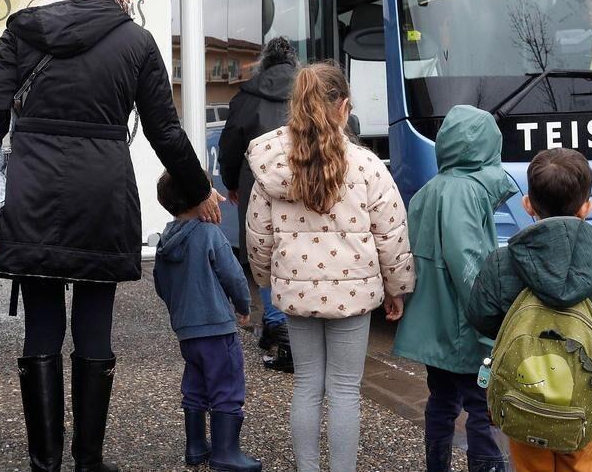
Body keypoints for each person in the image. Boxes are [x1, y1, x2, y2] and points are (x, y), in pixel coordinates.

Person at [0, 0, 221, 472]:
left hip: (33, 189)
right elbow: (165, 132)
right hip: (102, 194)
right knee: (93, 326)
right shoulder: (136, 41)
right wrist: (200, 191)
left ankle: (46, 464)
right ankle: (89, 461)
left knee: (40, 326)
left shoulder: (24, 26)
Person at [244, 61, 414, 472]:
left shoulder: (271, 166)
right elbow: (390, 234)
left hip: (296, 292)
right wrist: (396, 288)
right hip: (353, 296)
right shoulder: (367, 165)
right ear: (345, 108)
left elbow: (258, 236)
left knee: (306, 385)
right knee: (344, 391)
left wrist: (269, 280)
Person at [466, 148, 592, 472]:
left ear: (528, 204)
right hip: (587, 397)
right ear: (586, 207)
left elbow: (481, 315)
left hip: (523, 391)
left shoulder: (503, 263)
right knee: (582, 461)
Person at [392, 104, 517, 472]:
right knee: (483, 403)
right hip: (464, 323)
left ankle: (437, 465)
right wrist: (490, 319)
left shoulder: (431, 189)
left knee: (442, 398)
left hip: (436, 325)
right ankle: (488, 465)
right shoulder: (468, 191)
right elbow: (467, 262)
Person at [153, 172, 261, 472]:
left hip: (187, 330)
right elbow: (233, 276)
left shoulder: (166, 238)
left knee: (196, 385)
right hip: (216, 325)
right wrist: (243, 306)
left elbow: (161, 284)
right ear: (203, 198)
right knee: (226, 386)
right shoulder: (210, 233)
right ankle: (226, 453)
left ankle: (196, 446)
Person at [218, 36, 298, 371]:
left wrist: (232, 183)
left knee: (264, 250)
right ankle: (295, 324)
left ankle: (276, 322)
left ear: (263, 63)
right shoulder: (312, 91)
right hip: (305, 183)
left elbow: (231, 143)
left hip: (258, 184)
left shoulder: (247, 97)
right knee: (298, 249)